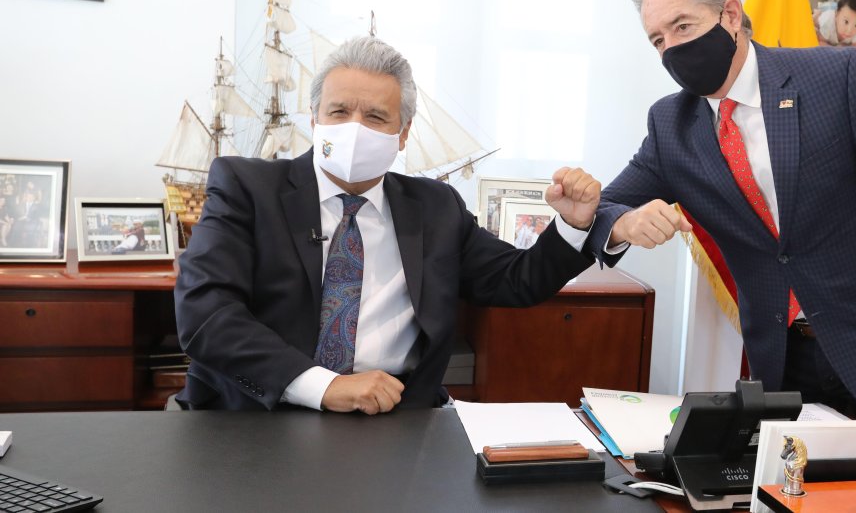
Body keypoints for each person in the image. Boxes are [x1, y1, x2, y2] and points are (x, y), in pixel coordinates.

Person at [587, 0, 856, 462]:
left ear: (730, 16)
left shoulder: (833, 77)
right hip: (782, 364)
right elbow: (608, 207)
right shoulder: (672, 124)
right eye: (658, 40)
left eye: (682, 27)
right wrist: (622, 222)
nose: (672, 49)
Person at [175, 36, 603, 414]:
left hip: (393, 420)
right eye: (339, 111)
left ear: (403, 133)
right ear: (314, 119)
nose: (354, 129)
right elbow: (206, 314)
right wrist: (325, 387)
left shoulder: (435, 207)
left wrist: (571, 224)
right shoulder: (246, 188)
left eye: (376, 117)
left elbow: (515, 280)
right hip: (258, 416)